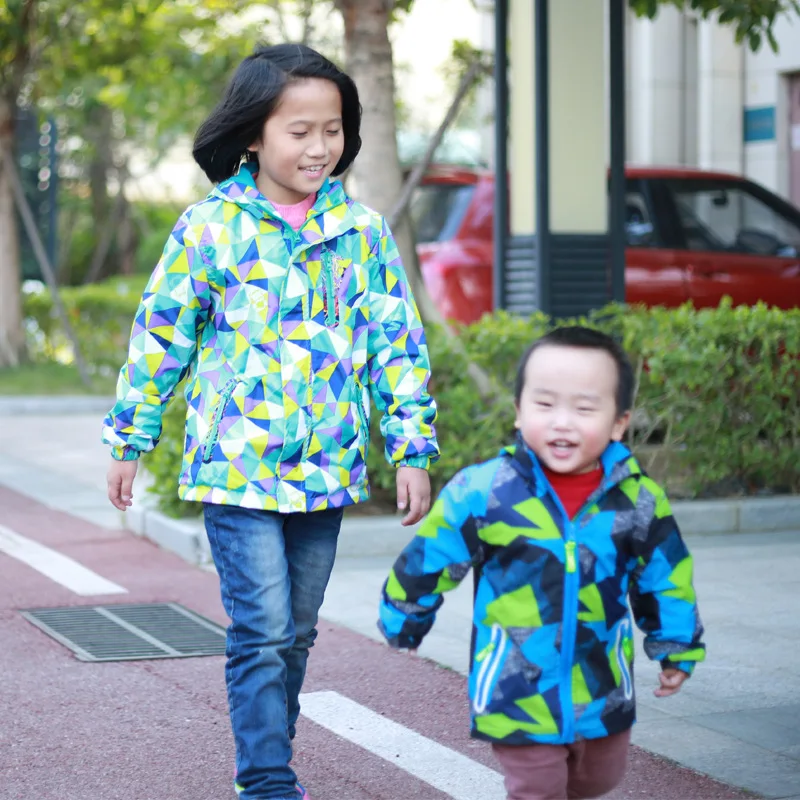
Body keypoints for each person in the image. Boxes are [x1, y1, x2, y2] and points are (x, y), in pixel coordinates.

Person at [103, 43, 439, 800]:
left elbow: (397, 345)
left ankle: (265, 757)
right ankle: (265, 780)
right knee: (261, 631)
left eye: (334, 129)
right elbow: (162, 335)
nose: (321, 147)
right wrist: (131, 437)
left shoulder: (361, 232)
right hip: (237, 467)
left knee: (296, 633)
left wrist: (412, 448)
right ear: (254, 133)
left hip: (326, 469)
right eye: (301, 131)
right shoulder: (209, 227)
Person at [378, 326, 704, 800]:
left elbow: (665, 576)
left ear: (619, 422)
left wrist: (675, 643)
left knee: (598, 780)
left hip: (602, 685)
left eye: (585, 408)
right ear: (518, 411)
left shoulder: (637, 500)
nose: (563, 422)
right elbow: (431, 554)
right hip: (516, 684)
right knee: (538, 787)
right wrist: (405, 616)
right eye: (545, 404)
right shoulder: (484, 491)